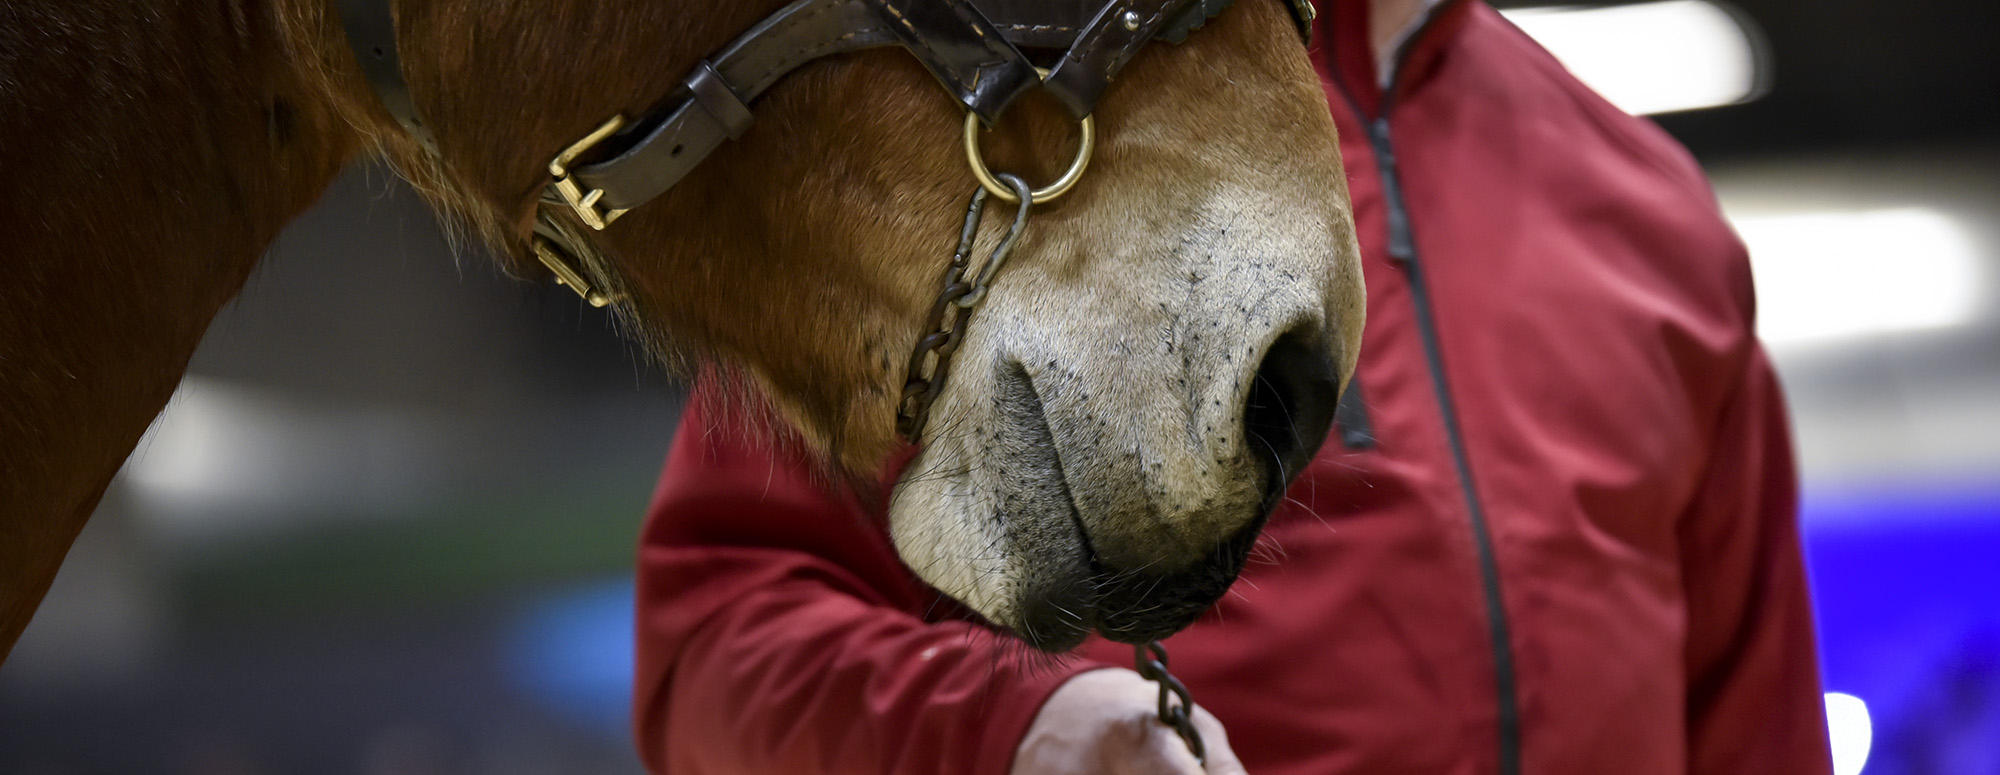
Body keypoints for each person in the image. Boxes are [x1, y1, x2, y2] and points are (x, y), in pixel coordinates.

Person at [630, 0, 1837, 773]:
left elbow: (1753, 722)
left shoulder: (1656, 218)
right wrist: (1008, 731)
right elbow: (714, 643)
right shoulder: (1026, 145)